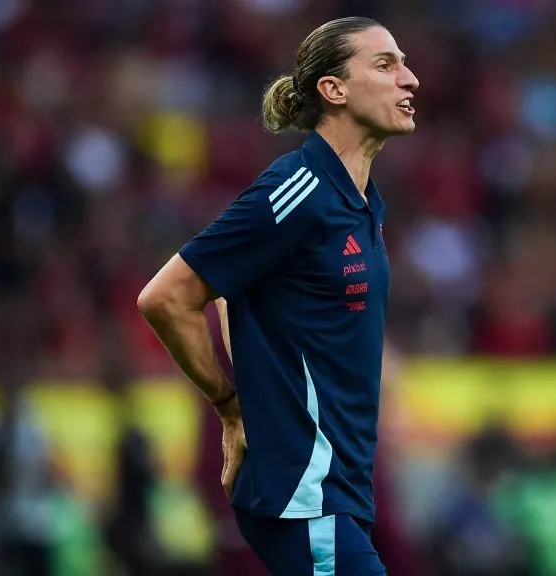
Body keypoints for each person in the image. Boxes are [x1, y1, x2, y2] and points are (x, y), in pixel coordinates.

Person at [137, 15, 418, 575]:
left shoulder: (363, 202)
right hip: (305, 497)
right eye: (385, 65)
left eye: (404, 63)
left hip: (340, 495)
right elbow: (167, 296)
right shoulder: (301, 189)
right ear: (333, 90)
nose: (409, 79)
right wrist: (231, 407)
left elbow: (232, 291)